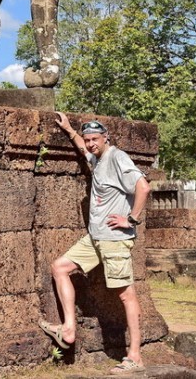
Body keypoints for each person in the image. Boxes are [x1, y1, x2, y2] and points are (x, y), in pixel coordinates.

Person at [39, 112, 150, 375]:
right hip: (95, 238)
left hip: (114, 240)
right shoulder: (97, 157)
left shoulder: (117, 157)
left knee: (126, 294)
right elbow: (83, 149)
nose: (90, 144)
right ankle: (68, 329)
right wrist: (69, 130)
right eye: (88, 139)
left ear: (106, 138)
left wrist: (131, 219)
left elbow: (143, 187)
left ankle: (135, 356)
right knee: (60, 268)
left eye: (95, 139)